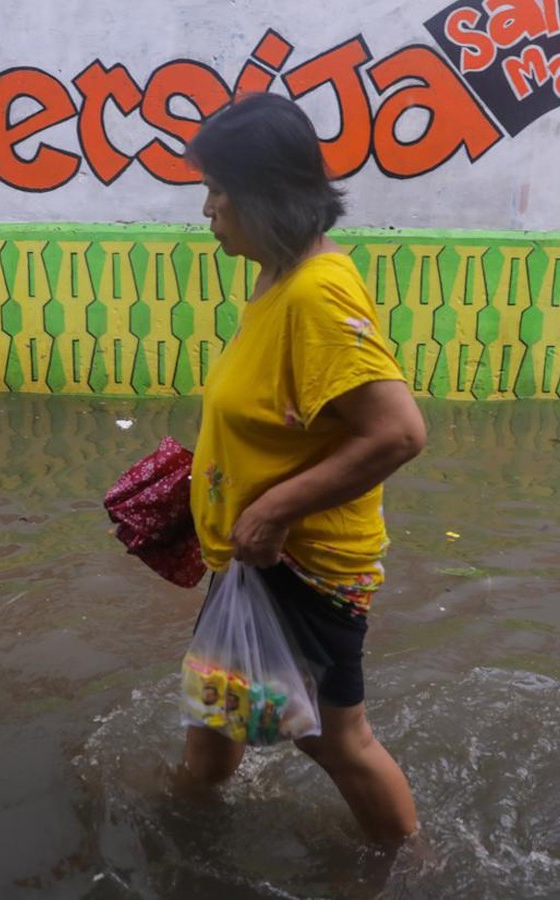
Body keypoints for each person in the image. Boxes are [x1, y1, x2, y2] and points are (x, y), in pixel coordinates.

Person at [181, 92, 427, 844]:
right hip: (254, 562)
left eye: (218, 190)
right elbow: (286, 417)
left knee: (337, 742)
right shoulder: (278, 278)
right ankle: (188, 812)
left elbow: (397, 433)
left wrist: (272, 508)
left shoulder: (317, 293)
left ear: (262, 196)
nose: (207, 209)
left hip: (303, 569)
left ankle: (408, 868)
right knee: (217, 702)